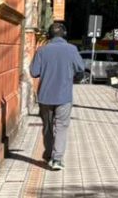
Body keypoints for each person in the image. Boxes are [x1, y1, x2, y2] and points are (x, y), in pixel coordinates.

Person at [29, 22, 86, 171]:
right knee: (61, 127)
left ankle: (48, 154)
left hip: (45, 96)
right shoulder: (72, 49)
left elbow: (34, 72)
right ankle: (57, 159)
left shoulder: (42, 51)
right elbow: (81, 69)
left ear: (49, 35)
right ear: (65, 34)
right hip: (64, 96)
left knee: (47, 127)